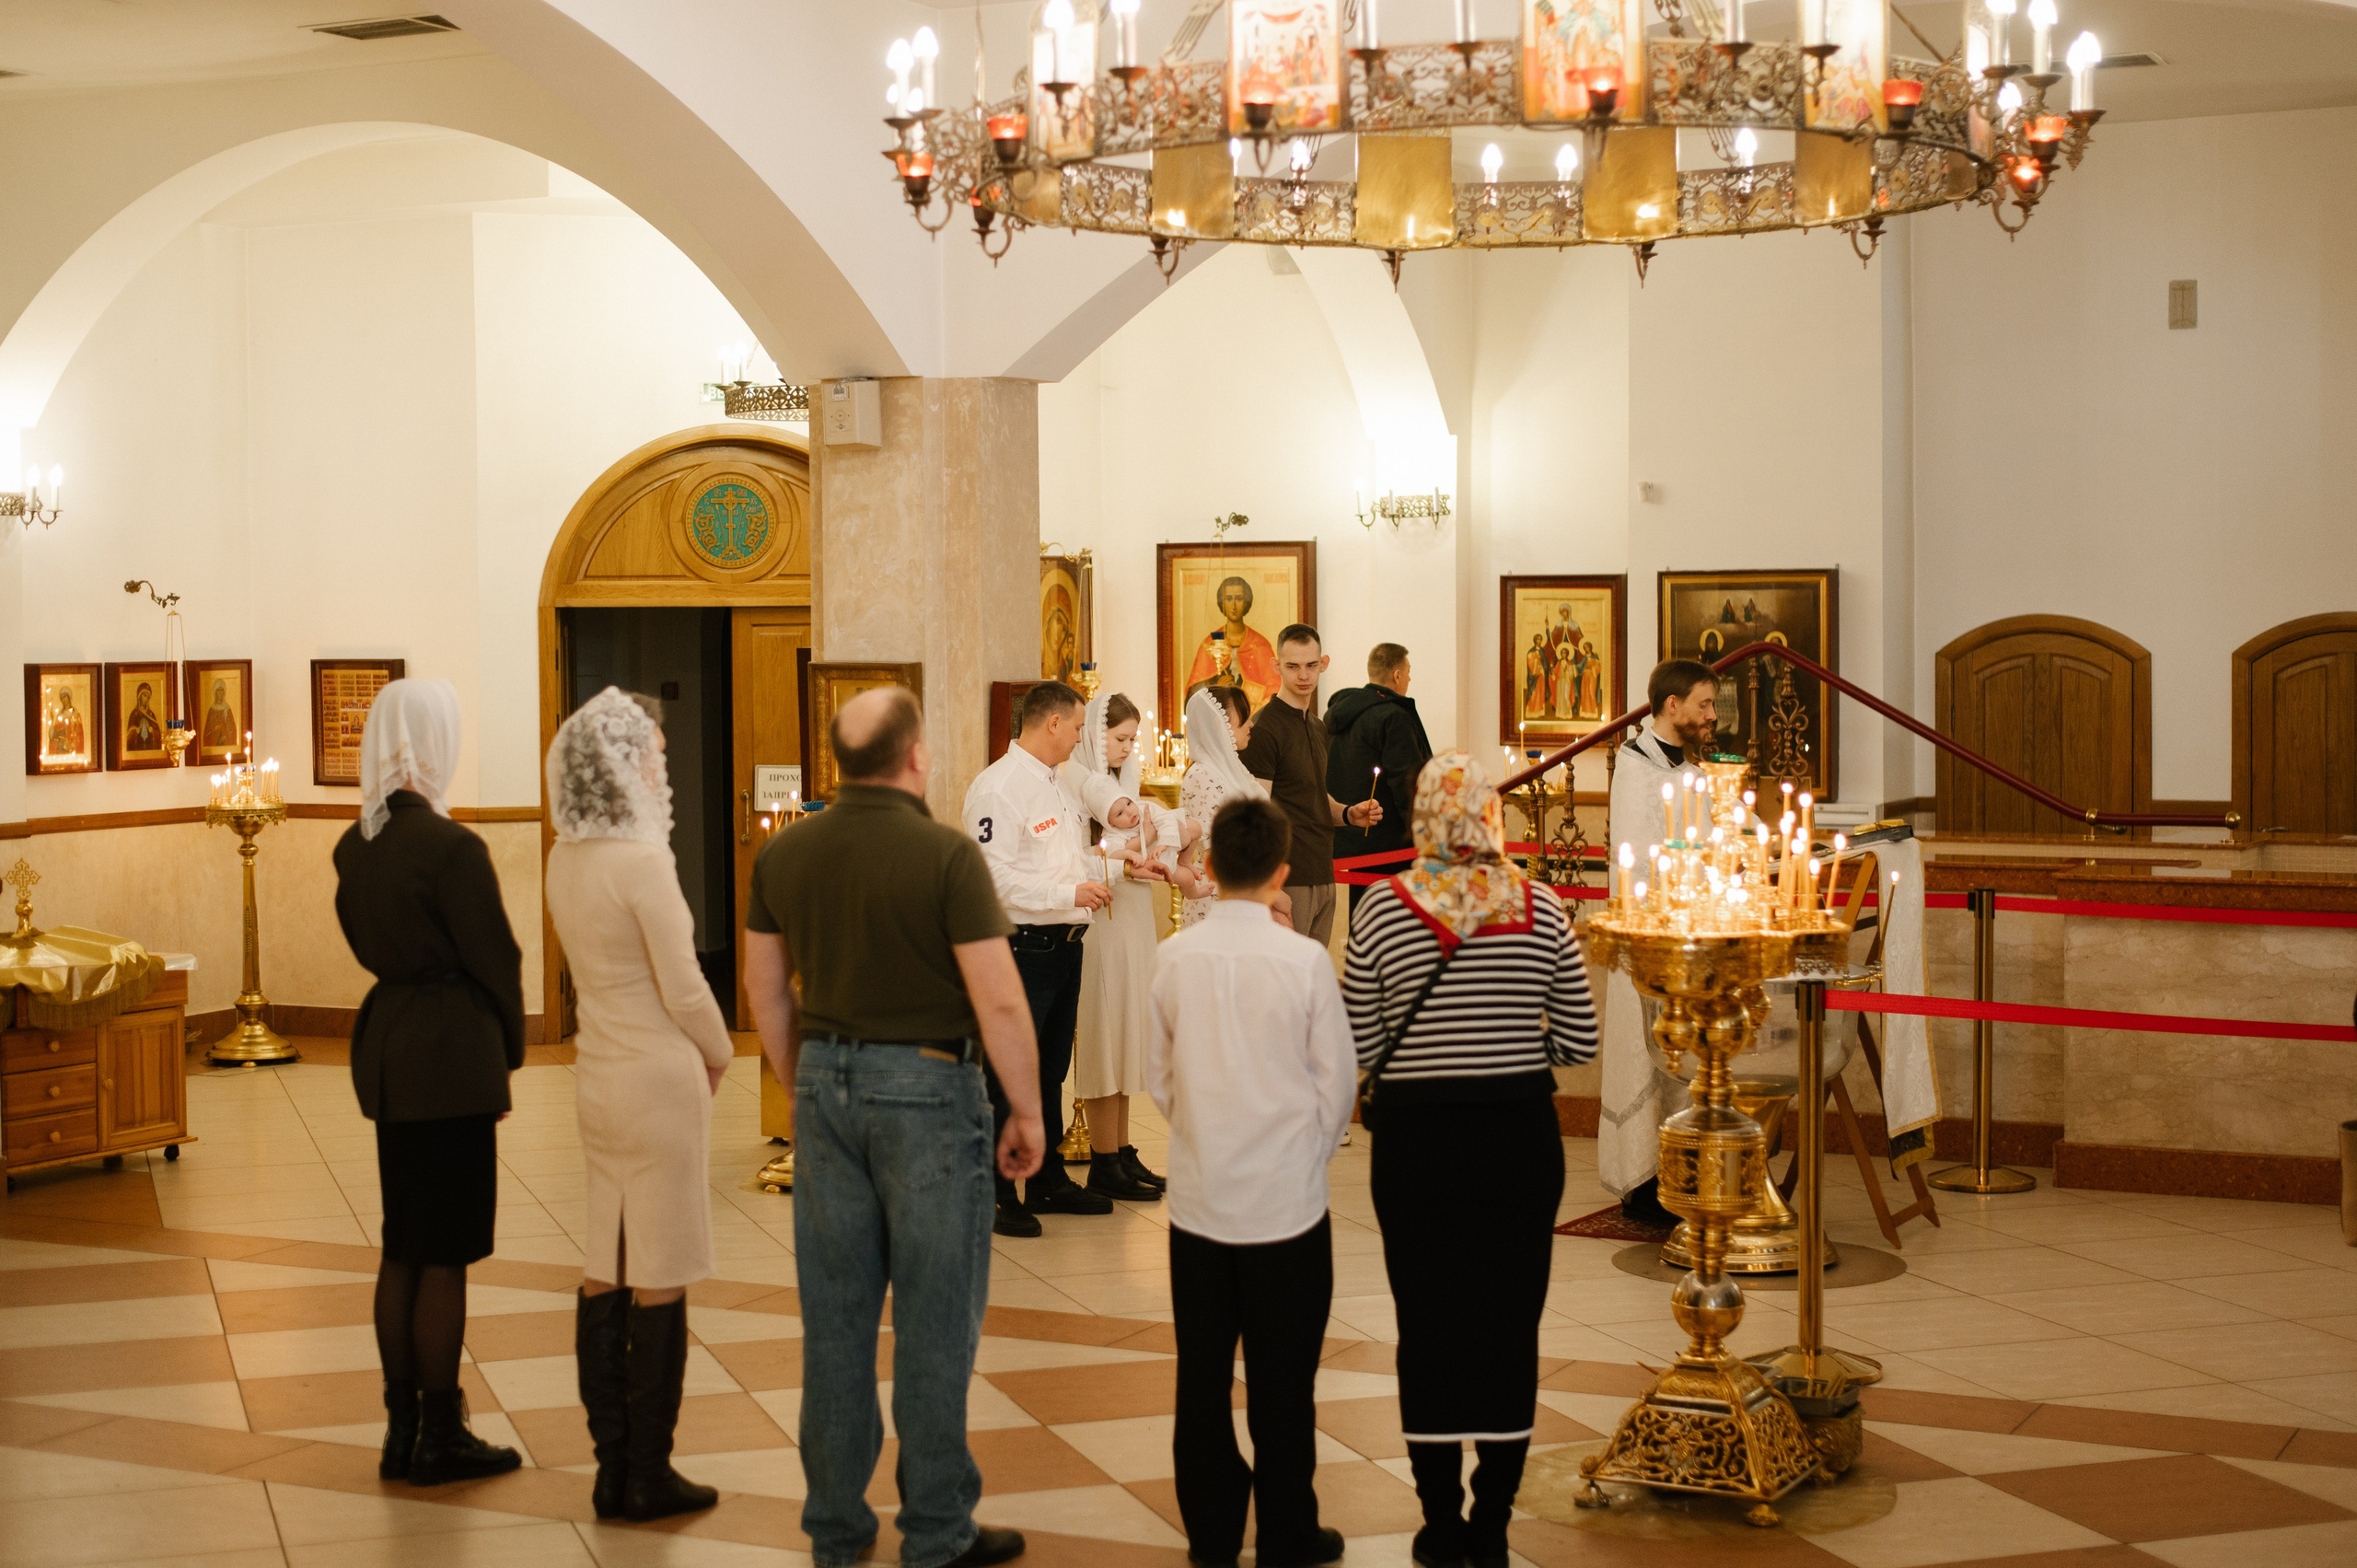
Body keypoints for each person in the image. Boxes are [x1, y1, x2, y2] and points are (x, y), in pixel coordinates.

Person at [743, 686, 1042, 1568]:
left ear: (839, 760)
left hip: (827, 1083)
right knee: (934, 1317)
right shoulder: (944, 855)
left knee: (834, 1322)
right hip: (930, 1088)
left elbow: (765, 989)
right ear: (916, 755)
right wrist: (1025, 1107)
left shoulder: (787, 852)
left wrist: (808, 1080)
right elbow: (998, 996)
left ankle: (837, 1530)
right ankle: (937, 1529)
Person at [1343, 753, 1598, 1568]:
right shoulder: (1542, 905)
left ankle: (1438, 1522)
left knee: (1428, 1322)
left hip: (1417, 1144)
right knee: (1507, 1321)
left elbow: (1358, 1037)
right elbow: (1579, 1039)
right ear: (1491, 816)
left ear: (1421, 815)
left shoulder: (1382, 909)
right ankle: (1491, 1522)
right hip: (1516, 1139)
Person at [1147, 796, 1354, 1568]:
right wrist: (1307, 1153)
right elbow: (1337, 1081)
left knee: (1200, 1376)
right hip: (1288, 1208)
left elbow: (1160, 1080)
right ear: (1281, 873)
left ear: (1208, 868)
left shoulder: (1174, 957)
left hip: (1200, 1206)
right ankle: (1288, 1533)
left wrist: (1205, 1134)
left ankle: (1210, 1533)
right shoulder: (1302, 961)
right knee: (1283, 1380)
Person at [543, 688, 734, 1524]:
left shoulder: (564, 855)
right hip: (657, 1079)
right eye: (651, 752)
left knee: (605, 1261)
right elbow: (685, 984)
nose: (661, 763)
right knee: (660, 1271)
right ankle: (648, 1471)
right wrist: (722, 1051)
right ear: (620, 763)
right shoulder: (642, 860)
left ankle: (610, 1465)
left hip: (597, 1078)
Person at [330, 679, 524, 1488]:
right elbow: (498, 960)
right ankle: (441, 1433)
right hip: (448, 1055)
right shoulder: (453, 848)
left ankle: (400, 1427)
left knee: (403, 1241)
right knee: (445, 1252)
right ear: (432, 742)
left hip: (390, 1047)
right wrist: (508, 1044)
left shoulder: (357, 844)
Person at [961, 679, 1116, 1237]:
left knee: (1050, 1070)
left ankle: (1046, 1178)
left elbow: (1069, 861)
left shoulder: (1056, 785)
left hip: (1063, 947)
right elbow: (989, 878)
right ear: (1052, 723)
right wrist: (1065, 897)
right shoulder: (999, 789)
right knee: (1008, 1073)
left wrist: (1113, 874)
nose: (1079, 740)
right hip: (1022, 948)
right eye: (1077, 728)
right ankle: (998, 1190)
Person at [1601, 657, 1720, 1228]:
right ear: (1671, 706)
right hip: (1646, 937)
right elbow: (1635, 860)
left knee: (1684, 1058)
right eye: (1704, 704)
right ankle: (1640, 1180)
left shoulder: (1691, 770)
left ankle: (1684, 1170)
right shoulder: (1635, 766)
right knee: (1642, 1052)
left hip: (1688, 934)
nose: (1711, 715)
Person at [1062, 691, 1170, 1204]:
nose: (1128, 749)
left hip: (1127, 911)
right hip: (1096, 918)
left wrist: (1145, 842)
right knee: (1106, 1029)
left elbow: (1145, 833)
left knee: (1128, 1028)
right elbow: (1079, 853)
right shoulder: (1075, 780)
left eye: (1132, 739)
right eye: (1119, 738)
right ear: (1092, 734)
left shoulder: (1120, 783)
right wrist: (1128, 848)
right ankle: (1104, 1158)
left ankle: (1122, 1149)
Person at [1237, 624, 1383, 948]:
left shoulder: (1318, 726)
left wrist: (1347, 814)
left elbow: (1311, 794)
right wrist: (1272, 888)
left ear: (1323, 663)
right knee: (1284, 981)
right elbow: (1258, 815)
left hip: (1323, 870)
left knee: (1310, 979)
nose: (1303, 675)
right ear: (1276, 666)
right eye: (1292, 666)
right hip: (1288, 877)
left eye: (1311, 665)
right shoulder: (1264, 728)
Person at [1327, 642, 1433, 912]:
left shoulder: (1343, 712)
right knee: (1393, 921)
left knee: (1362, 916)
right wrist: (1422, 833)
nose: (1409, 678)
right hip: (1392, 843)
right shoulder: (1393, 716)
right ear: (1396, 675)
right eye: (1407, 671)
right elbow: (1406, 781)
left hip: (1354, 837)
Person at [1171, 686, 1269, 929]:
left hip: (1248, 888)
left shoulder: (1234, 771)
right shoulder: (1201, 774)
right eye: (1242, 720)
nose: (1251, 725)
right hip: (1217, 895)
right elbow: (1219, 841)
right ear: (1219, 727)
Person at [1184, 575, 1281, 708]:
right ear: (1222, 603)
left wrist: (1255, 708)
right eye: (1229, 599)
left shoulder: (1259, 644)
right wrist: (1217, 686)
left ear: (1246, 602)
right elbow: (1193, 696)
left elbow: (1275, 690)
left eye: (1239, 598)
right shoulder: (1209, 644)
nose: (1233, 605)